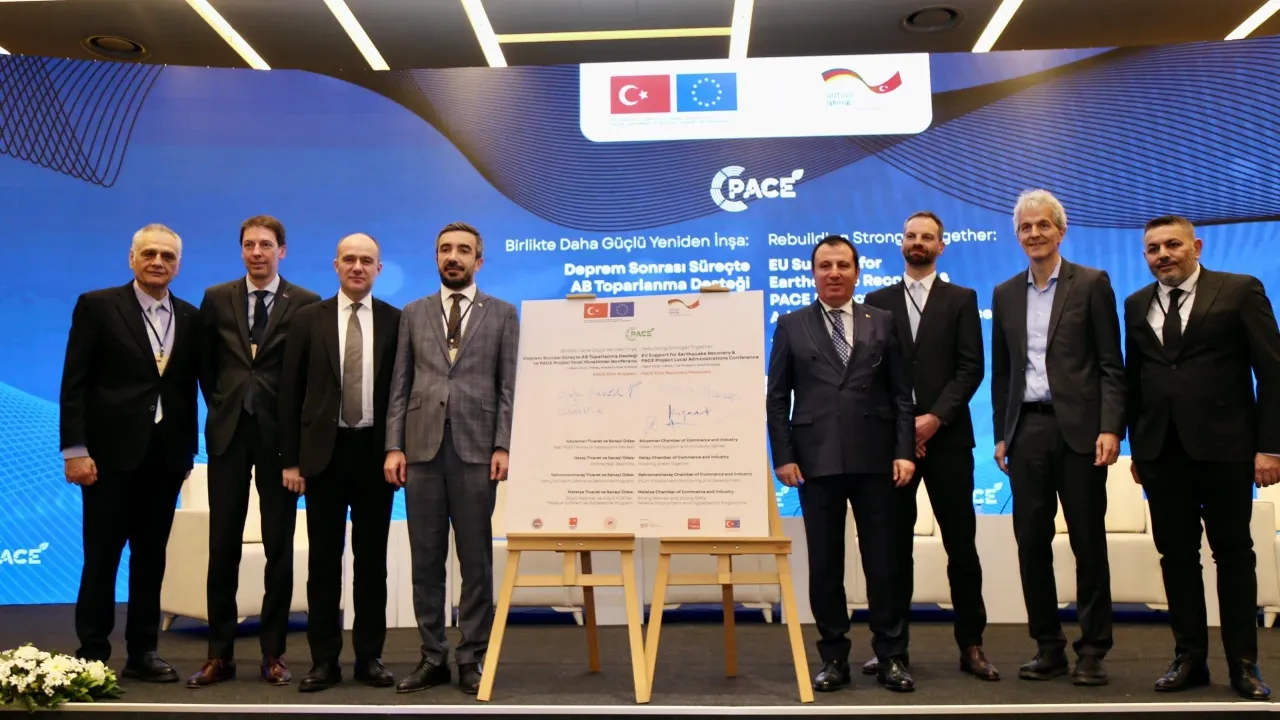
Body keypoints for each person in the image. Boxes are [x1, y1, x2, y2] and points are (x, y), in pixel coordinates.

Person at [1124, 215, 1280, 700]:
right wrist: (1137, 447)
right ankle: (1189, 658)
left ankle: (1244, 664)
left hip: (1227, 450)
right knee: (1176, 558)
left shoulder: (1239, 290)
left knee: (1233, 555)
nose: (1163, 255)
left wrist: (1270, 447)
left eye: (1172, 245)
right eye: (1153, 249)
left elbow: (1272, 371)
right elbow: (1136, 379)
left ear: (1197, 246)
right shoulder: (1136, 304)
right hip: (1161, 453)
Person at [766, 235, 916, 693]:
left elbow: (901, 394)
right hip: (816, 462)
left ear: (857, 272)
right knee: (826, 565)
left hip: (877, 459)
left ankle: (891, 656)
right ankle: (833, 658)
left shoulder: (882, 320)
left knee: (884, 564)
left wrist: (904, 450)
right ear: (813, 273)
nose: (834, 273)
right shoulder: (791, 324)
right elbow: (777, 399)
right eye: (825, 265)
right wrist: (784, 456)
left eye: (843, 265)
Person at [990, 189, 1125, 686]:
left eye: (1043, 225)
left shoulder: (1091, 283)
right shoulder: (1004, 292)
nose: (1034, 234)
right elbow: (1003, 373)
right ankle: (1047, 647)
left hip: (1082, 433)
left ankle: (1092, 650)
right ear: (1017, 236)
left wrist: (1111, 427)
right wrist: (1002, 434)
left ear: (1061, 230)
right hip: (1026, 431)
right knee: (1031, 542)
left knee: (1088, 542)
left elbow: (1111, 364)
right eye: (1025, 227)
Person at [59, 224, 200, 683]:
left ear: (178, 265)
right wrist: (75, 450)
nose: (158, 262)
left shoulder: (191, 316)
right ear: (132, 258)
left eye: (168, 256)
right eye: (149, 253)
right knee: (101, 559)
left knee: (150, 561)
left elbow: (187, 390)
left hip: (165, 462)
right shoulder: (98, 306)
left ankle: (144, 652)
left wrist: (187, 453)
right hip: (107, 460)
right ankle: (92, 653)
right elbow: (75, 383)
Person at [384, 221, 518, 695]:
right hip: (420, 449)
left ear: (478, 261)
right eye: (445, 249)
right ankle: (432, 656)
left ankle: (471, 656)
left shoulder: (503, 313)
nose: (453, 257)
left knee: (476, 560)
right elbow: (400, 384)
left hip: (477, 450)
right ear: (436, 257)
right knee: (426, 559)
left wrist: (503, 444)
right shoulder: (413, 312)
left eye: (463, 250)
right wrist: (393, 445)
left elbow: (508, 386)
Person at [188, 215, 320, 688]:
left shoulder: (305, 302)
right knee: (221, 545)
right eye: (249, 245)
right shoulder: (215, 297)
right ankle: (218, 655)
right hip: (228, 435)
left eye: (266, 245)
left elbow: (306, 375)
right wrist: (224, 403)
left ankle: (273, 653)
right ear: (241, 250)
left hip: (280, 442)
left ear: (282, 251)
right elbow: (206, 365)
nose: (257, 252)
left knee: (278, 548)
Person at [864, 212, 996, 681]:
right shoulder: (876, 302)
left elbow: (971, 367)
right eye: (911, 235)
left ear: (941, 246)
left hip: (949, 440)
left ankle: (972, 645)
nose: (917, 242)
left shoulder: (962, 299)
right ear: (901, 243)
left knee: (962, 547)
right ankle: (891, 647)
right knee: (892, 550)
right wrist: (906, 428)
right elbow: (873, 375)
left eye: (927, 237)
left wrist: (934, 419)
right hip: (895, 447)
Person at [278, 234, 401, 692]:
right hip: (322, 458)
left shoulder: (396, 321)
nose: (357, 267)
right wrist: (291, 460)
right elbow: (289, 393)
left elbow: (403, 392)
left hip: (375, 456)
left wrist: (399, 448)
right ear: (335, 265)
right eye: (349, 259)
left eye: (366, 260)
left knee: (372, 564)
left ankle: (369, 657)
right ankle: (324, 661)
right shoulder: (307, 319)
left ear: (378, 269)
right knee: (324, 564)